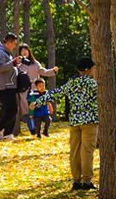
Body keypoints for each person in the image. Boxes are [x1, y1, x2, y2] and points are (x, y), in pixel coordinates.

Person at [30, 57, 99, 191]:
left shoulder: (71, 83)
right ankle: (87, 181)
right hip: (89, 122)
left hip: (74, 122)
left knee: (74, 151)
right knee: (87, 151)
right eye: (93, 68)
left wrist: (37, 102)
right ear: (88, 69)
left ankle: (76, 180)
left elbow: (55, 93)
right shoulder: (93, 84)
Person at [17, 44, 58, 136]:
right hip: (23, 90)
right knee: (28, 111)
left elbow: (44, 71)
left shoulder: (35, 63)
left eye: (25, 50)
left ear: (29, 51)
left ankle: (38, 129)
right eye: (22, 50)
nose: (24, 52)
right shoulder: (19, 65)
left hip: (35, 89)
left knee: (36, 109)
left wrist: (53, 71)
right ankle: (32, 129)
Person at [0, 33, 21, 141]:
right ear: (8, 42)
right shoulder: (0, 53)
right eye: (14, 44)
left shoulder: (6, 53)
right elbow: (0, 68)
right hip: (4, 86)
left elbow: (9, 66)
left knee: (12, 109)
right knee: (11, 110)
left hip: (9, 85)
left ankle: (8, 133)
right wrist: (13, 62)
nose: (15, 46)